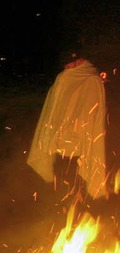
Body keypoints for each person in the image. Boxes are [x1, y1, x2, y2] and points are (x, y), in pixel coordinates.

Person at [27, 51, 108, 201]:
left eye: (69, 65)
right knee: (59, 183)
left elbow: (91, 117)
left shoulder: (91, 81)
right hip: (60, 144)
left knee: (76, 184)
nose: (66, 69)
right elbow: (53, 109)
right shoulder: (64, 79)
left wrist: (78, 135)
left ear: (78, 62)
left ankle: (76, 209)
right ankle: (58, 210)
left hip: (78, 146)